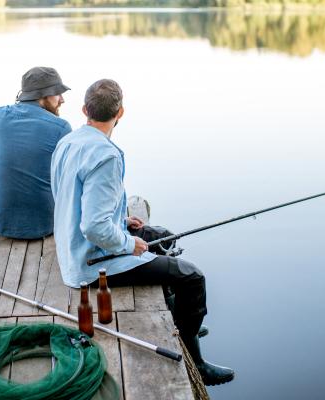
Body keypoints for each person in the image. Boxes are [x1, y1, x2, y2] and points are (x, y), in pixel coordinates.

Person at [50, 79, 234, 386]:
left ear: (84, 110)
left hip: (74, 248)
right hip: (93, 264)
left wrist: (122, 219)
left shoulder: (69, 142)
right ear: (120, 112)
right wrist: (127, 242)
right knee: (192, 277)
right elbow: (94, 227)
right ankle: (196, 361)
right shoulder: (105, 155)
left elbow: (78, 199)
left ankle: (183, 321)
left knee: (164, 234)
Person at [0, 66, 72, 239]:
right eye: (57, 93)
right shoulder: (62, 127)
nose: (62, 99)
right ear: (43, 96)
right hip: (47, 224)